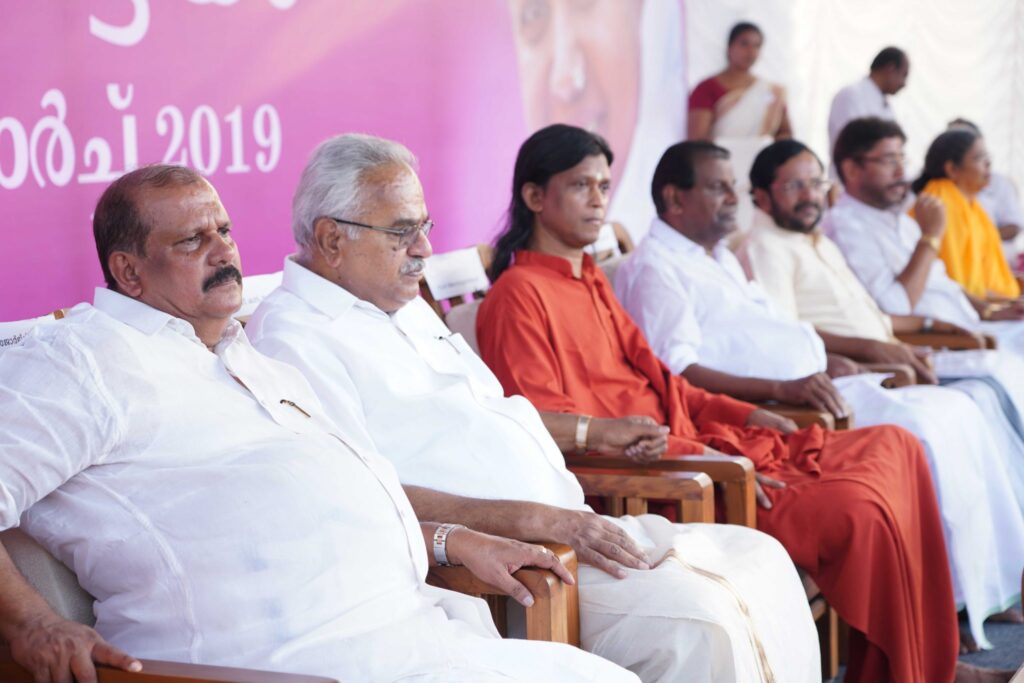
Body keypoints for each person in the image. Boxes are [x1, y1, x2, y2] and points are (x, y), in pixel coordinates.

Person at [0, 165, 639, 683]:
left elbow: (319, 497)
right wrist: (30, 623)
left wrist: (446, 540)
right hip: (283, 666)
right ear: (127, 271)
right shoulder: (84, 360)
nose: (222, 250)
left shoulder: (241, 354)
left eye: (223, 229)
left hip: (418, 638)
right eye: (192, 240)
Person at [247, 133, 821, 683]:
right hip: (507, 567)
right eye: (402, 232)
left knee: (763, 558)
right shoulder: (294, 339)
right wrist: (541, 521)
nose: (422, 249)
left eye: (423, 227)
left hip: (573, 527)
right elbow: (362, 497)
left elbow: (489, 412)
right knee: (702, 625)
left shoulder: (401, 305)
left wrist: (590, 434)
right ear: (330, 239)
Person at [476, 123, 961, 683]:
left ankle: (930, 664)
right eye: (581, 185)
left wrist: (746, 414)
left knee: (897, 445)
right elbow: (550, 433)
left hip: (705, 449)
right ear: (536, 197)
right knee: (859, 510)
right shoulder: (517, 297)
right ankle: (895, 672)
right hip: (666, 484)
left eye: (605, 186)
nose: (598, 200)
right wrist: (710, 458)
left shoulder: (589, 280)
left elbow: (667, 383)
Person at [726, 138, 1024, 650]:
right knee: (933, 428)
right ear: (761, 195)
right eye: (793, 185)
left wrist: (922, 327)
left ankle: (988, 587)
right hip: (832, 387)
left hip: (875, 368)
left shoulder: (815, 240)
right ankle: (951, 604)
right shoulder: (765, 246)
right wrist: (872, 351)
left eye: (815, 183)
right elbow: (785, 334)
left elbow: (880, 315)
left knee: (966, 414)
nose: (809, 195)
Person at [823, 117, 1024, 358]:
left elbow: (943, 284)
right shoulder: (846, 227)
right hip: (935, 347)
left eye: (901, 158)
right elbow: (894, 308)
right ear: (852, 169)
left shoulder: (901, 221)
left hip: (970, 330)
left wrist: (990, 311)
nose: (901, 171)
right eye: (889, 160)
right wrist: (929, 238)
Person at [508, 0, 686, 243]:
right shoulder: (524, 281)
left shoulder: (603, 269)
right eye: (533, 14)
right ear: (534, 197)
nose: (566, 81)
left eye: (603, 187)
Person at [911, 128, 1020, 300]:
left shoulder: (970, 204)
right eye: (979, 158)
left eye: (987, 157)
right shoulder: (941, 202)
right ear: (952, 169)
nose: (988, 164)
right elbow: (959, 283)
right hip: (959, 311)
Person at [687, 22, 790, 143]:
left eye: (757, 46)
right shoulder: (706, 88)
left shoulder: (771, 90)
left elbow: (786, 133)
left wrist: (764, 147)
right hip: (719, 159)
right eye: (744, 44)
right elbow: (697, 139)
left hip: (763, 159)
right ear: (729, 47)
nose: (751, 51)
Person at [948, 118, 1024, 269]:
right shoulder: (938, 192)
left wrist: (978, 239)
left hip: (996, 263)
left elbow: (1014, 225)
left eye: (984, 156)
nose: (986, 163)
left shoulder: (999, 184)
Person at [827, 47, 908, 157]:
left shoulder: (884, 103)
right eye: (904, 75)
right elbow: (852, 146)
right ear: (890, 68)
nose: (904, 84)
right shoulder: (850, 95)